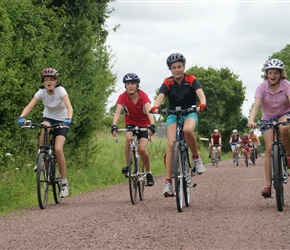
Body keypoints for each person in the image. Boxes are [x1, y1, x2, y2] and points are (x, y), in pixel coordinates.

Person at [151, 52, 206, 197]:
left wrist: (202, 103)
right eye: (174, 67)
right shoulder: (168, 82)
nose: (177, 70)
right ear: (170, 69)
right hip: (173, 115)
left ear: (184, 66)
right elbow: (161, 95)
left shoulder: (191, 79)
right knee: (171, 144)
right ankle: (168, 183)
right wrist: (156, 106)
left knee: (188, 130)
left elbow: (200, 93)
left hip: (189, 113)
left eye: (179, 66)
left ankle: (196, 158)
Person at [17, 68, 73, 198]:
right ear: (43, 81)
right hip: (48, 118)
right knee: (44, 127)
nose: (49, 82)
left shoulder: (61, 91)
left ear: (55, 81)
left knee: (58, 149)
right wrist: (22, 117)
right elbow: (30, 106)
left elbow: (69, 107)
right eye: (46, 80)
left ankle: (64, 183)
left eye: (51, 80)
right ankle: (41, 157)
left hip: (62, 120)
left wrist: (68, 119)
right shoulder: (41, 92)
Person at [248, 58, 290, 198]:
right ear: (266, 74)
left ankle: (288, 155)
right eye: (270, 73)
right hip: (267, 118)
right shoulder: (261, 87)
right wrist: (251, 120)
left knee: (284, 129)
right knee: (269, 148)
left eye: (276, 73)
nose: (273, 75)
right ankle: (268, 185)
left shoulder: (286, 85)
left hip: (284, 114)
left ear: (281, 74)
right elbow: (256, 106)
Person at [111, 73, 155, 187]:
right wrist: (114, 125)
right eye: (128, 84)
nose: (130, 86)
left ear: (137, 85)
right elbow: (117, 112)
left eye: (133, 84)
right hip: (130, 123)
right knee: (129, 138)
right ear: (125, 86)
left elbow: (149, 111)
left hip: (144, 124)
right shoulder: (122, 96)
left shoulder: (143, 96)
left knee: (142, 149)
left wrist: (152, 124)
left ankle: (149, 173)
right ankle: (128, 165)